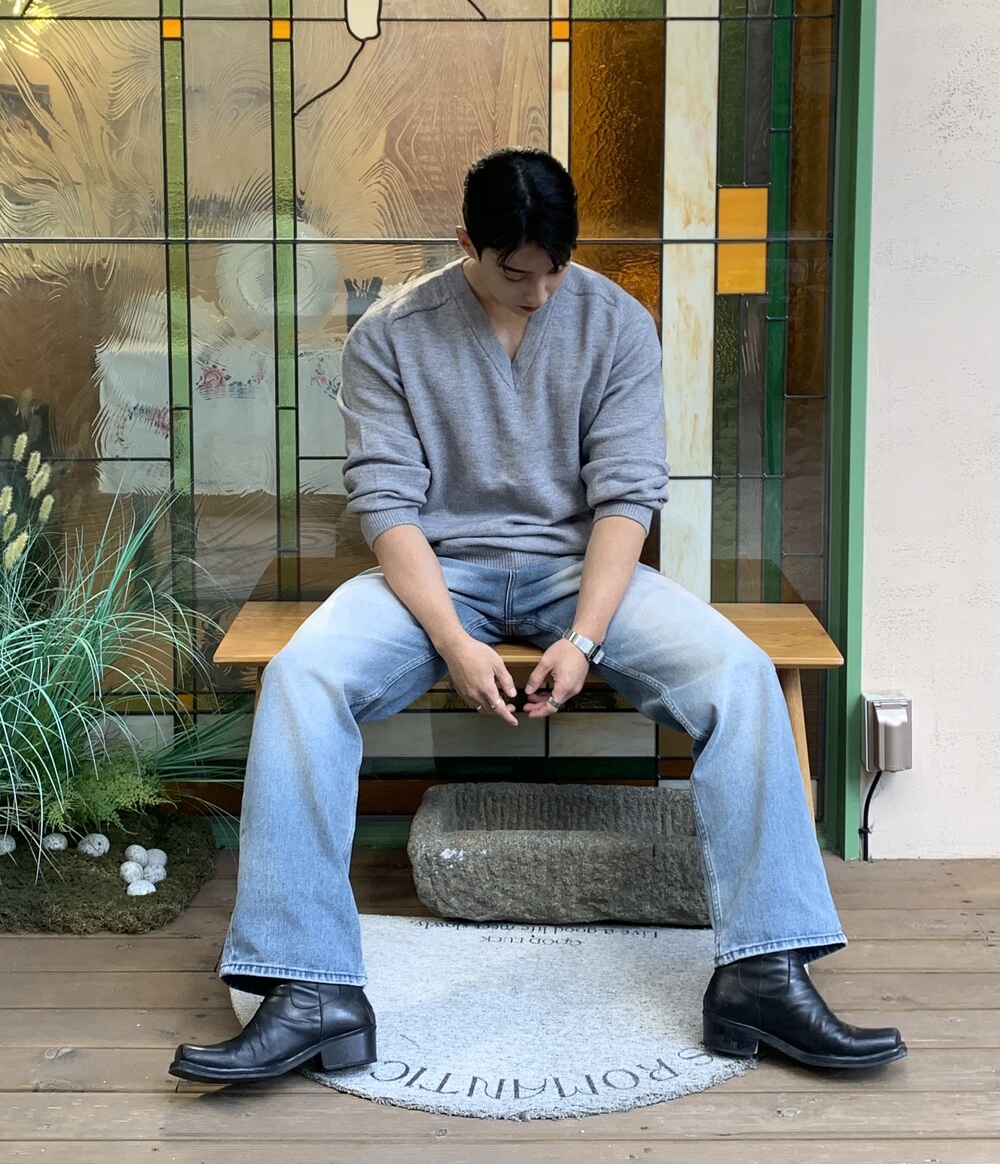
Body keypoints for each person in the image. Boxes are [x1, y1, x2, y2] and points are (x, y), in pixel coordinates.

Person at [170, 148, 905, 1084]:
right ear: (467, 243)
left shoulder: (617, 323)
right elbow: (387, 505)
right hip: (438, 573)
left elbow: (627, 498)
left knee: (740, 673)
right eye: (517, 273)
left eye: (555, 269)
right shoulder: (391, 335)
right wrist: (453, 640)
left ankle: (763, 975)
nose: (541, 292)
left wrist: (585, 636)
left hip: (579, 571)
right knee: (302, 676)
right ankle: (312, 990)